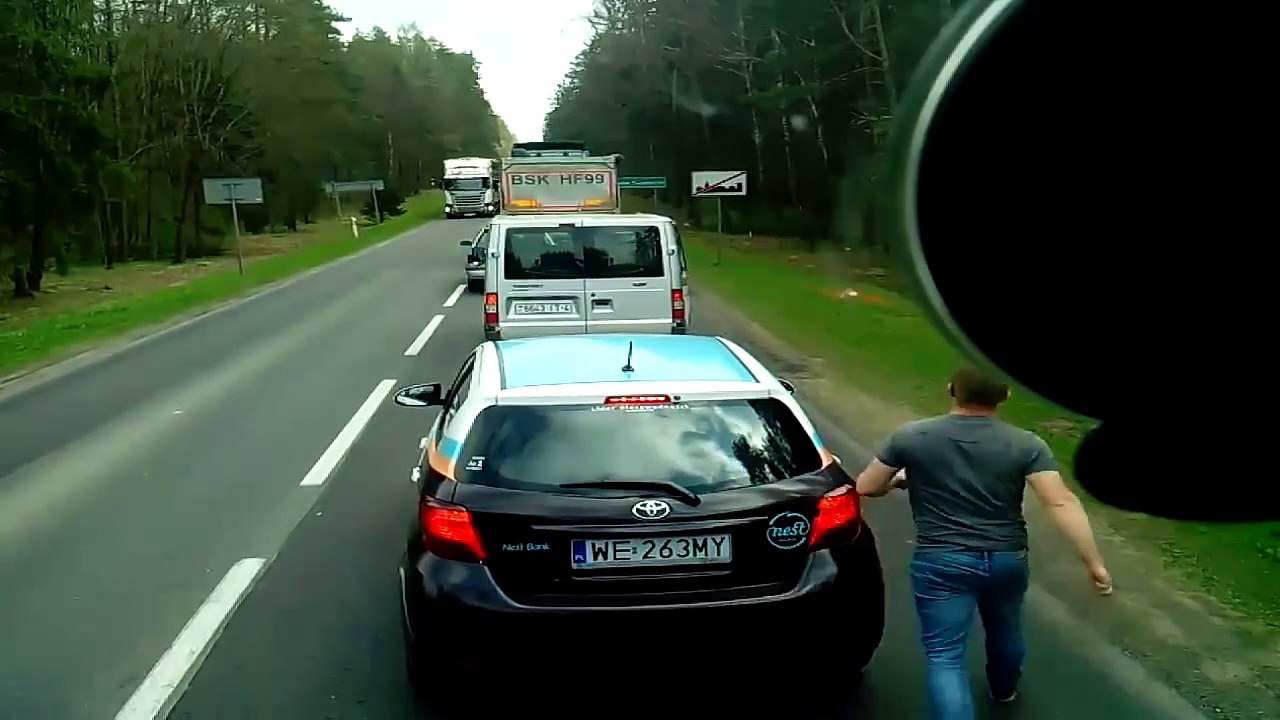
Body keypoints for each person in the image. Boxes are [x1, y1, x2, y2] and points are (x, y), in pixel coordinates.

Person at [854, 366, 1112, 720]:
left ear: (951, 389)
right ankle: (1003, 689)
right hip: (1007, 558)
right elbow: (1060, 502)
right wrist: (1094, 563)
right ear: (1006, 395)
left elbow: (866, 486)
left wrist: (899, 481)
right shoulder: (1026, 443)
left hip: (941, 560)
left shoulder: (912, 436)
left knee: (945, 657)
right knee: (1005, 627)